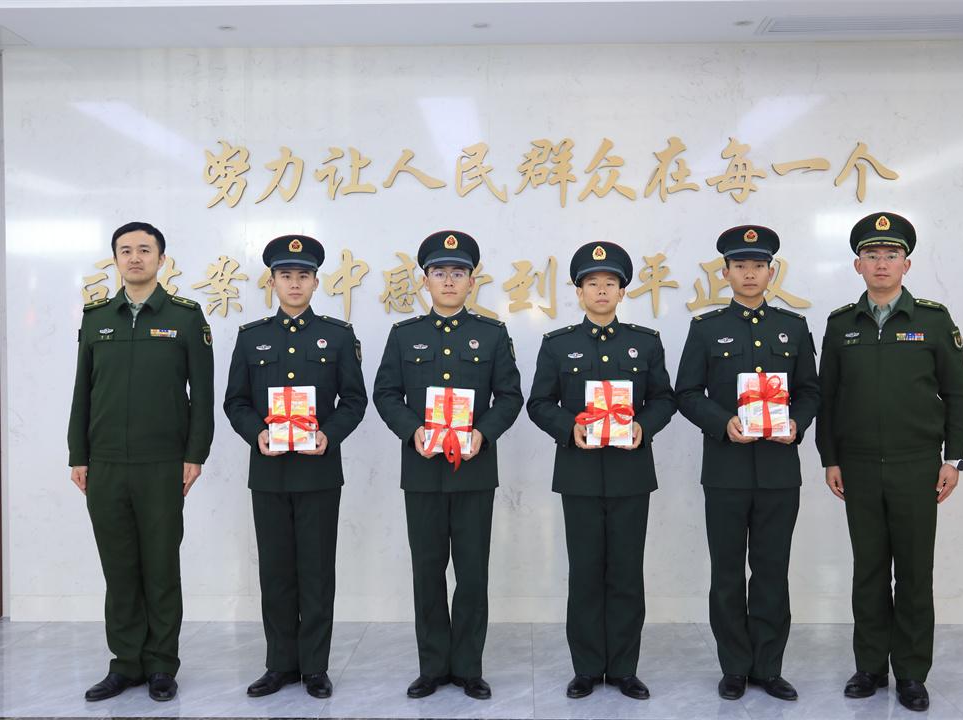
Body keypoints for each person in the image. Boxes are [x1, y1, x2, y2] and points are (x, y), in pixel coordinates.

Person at [816, 211, 963, 713]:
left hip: (916, 465)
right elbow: (828, 398)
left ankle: (910, 672)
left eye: (891, 255)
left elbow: (958, 393)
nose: (881, 263)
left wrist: (954, 458)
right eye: (871, 255)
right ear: (857, 265)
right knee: (868, 570)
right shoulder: (841, 324)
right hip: (858, 465)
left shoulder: (932, 320)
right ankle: (869, 667)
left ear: (906, 264)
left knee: (914, 572)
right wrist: (830, 457)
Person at [372, 230, 524, 700]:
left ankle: (469, 668)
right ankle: (433, 667)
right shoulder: (405, 335)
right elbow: (385, 393)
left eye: (459, 272)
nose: (449, 280)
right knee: (428, 572)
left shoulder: (492, 334)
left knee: (472, 574)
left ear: (472, 281)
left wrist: (484, 432)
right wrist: (411, 429)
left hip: (474, 471)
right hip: (421, 472)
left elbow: (510, 396)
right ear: (425, 280)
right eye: (440, 272)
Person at [68, 221, 214, 702]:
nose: (135, 258)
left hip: (162, 463)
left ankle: (161, 665)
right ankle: (125, 663)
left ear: (161, 259)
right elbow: (83, 392)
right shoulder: (96, 318)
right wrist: (78, 454)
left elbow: (202, 394)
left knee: (161, 567)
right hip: (105, 463)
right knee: (119, 568)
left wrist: (195, 454)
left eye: (144, 250)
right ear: (115, 259)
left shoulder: (186, 318)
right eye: (126, 250)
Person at [675, 225, 820, 702]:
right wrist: (722, 422)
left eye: (759, 265)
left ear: (771, 272)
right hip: (726, 471)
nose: (750, 273)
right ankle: (735, 666)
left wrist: (797, 422)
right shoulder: (705, 329)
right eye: (740, 265)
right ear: (726, 273)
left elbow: (810, 391)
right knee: (727, 574)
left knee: (773, 571)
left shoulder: (793, 327)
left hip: (779, 471)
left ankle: (769, 667)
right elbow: (686, 392)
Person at [526, 241, 676, 700]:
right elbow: (539, 402)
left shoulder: (645, 342)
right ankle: (587, 668)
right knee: (586, 573)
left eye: (611, 283)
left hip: (631, 473)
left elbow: (664, 398)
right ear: (579, 291)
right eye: (593, 283)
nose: (602, 290)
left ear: (623, 291)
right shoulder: (558, 345)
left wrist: (643, 427)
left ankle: (625, 668)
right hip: (580, 475)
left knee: (627, 573)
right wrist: (569, 428)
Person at [223, 234, 367, 699]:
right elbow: (235, 401)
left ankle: (315, 667)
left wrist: (330, 434)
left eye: (303, 275)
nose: (294, 283)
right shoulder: (252, 337)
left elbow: (354, 400)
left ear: (316, 282)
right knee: (276, 572)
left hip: (318, 471)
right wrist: (256, 433)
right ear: (272, 281)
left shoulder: (338, 336)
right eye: (285, 275)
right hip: (268, 473)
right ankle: (280, 665)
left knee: (317, 572)